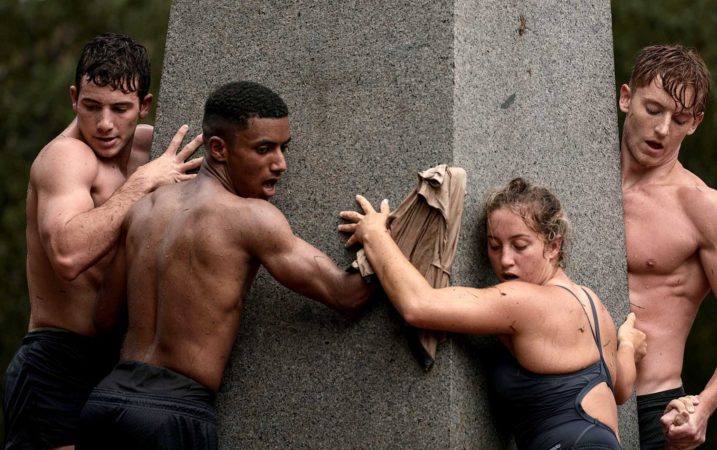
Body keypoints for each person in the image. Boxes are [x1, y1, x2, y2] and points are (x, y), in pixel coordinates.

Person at [75, 81, 373, 449]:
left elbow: (104, 317)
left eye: (283, 148)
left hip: (104, 405)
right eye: (264, 149)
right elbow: (347, 295)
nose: (280, 163)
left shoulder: (144, 208)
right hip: (171, 413)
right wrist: (385, 238)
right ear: (218, 148)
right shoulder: (252, 218)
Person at [339, 178, 647, 450]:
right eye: (494, 246)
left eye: (520, 245)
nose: (505, 260)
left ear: (554, 246)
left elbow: (418, 306)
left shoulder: (524, 300)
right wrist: (629, 345)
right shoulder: (594, 305)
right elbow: (620, 389)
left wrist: (375, 234)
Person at [3, 32, 202, 450]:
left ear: (143, 107)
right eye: (91, 107)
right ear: (75, 98)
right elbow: (67, 253)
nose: (105, 123)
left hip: (113, 367)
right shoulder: (67, 157)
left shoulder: (152, 150)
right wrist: (141, 185)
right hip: (56, 362)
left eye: (120, 109)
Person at [618, 44, 717, 449]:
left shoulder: (703, 207)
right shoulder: (580, 182)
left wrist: (704, 404)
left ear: (695, 123)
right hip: (567, 396)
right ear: (625, 98)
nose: (663, 129)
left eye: (679, 119)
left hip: (653, 410)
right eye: (653, 110)